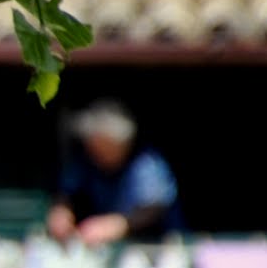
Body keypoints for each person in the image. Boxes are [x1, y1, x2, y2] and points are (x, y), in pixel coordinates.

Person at [46, 100, 183, 245]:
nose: (94, 150)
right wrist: (62, 210)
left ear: (122, 143)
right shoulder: (86, 162)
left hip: (157, 249)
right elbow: (68, 192)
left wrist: (120, 224)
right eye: (91, 143)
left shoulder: (146, 162)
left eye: (102, 144)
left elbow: (155, 208)